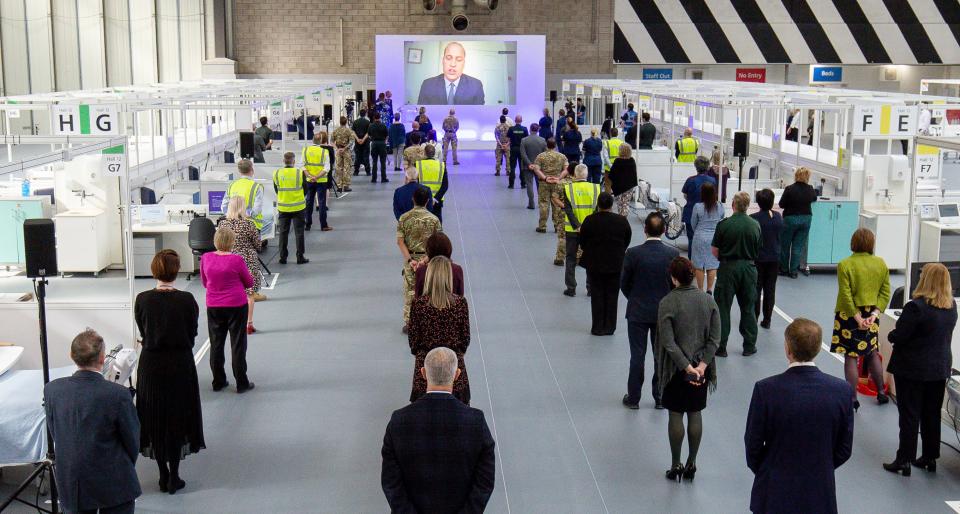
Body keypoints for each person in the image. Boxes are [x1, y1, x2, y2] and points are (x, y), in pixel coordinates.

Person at [745, 319, 854, 514]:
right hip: (819, 495)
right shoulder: (842, 391)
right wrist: (820, 468)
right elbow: (844, 449)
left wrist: (770, 471)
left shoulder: (766, 390)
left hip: (774, 494)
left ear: (788, 349)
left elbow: (753, 446)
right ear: (819, 348)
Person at [381, 347, 496, 513]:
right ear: (457, 374)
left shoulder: (399, 420)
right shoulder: (476, 421)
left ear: (423, 373)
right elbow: (484, 483)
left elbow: (391, 483)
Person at [44, 329, 141, 514]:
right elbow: (132, 439)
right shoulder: (117, 394)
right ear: (103, 358)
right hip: (114, 479)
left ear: (72, 355)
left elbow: (56, 431)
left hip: (73, 482)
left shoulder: (52, 390)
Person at [134, 250, 205, 495]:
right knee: (177, 415)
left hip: (151, 366)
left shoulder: (142, 299)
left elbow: (143, 330)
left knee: (154, 415)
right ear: (176, 271)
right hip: (180, 364)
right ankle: (174, 474)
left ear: (154, 270)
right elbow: (193, 333)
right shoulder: (187, 300)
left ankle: (163, 473)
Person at [884, 263, 957, 476]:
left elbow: (900, 335)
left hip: (912, 369)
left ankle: (904, 459)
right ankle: (929, 457)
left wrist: (891, 336)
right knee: (931, 413)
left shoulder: (916, 307)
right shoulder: (951, 307)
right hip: (939, 367)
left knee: (909, 414)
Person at [657, 256, 720, 482]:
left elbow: (667, 341)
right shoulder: (708, 301)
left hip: (675, 371)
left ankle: (676, 464)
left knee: (675, 413)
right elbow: (715, 338)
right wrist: (700, 366)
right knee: (695, 413)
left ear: (674, 279)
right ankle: (692, 463)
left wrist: (685, 366)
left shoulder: (667, 303)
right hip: (701, 370)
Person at [621, 212, 678, 409]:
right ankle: (660, 397)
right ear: (664, 230)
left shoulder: (633, 253)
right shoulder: (672, 255)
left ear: (644, 229)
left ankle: (634, 398)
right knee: (660, 355)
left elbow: (624, 284)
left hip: (637, 311)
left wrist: (635, 298)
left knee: (637, 355)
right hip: (663, 313)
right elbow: (675, 286)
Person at [832, 228, 891, 410]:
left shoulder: (845, 264)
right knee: (872, 352)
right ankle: (881, 392)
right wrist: (874, 314)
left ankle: (852, 399)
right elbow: (885, 291)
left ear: (853, 243)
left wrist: (857, 318)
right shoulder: (881, 264)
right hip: (872, 314)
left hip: (849, 315)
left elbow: (846, 295)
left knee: (850, 355)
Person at [408, 256, 471, 404]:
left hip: (425, 370)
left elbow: (414, 342)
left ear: (429, 276)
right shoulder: (460, 303)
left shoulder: (418, 304)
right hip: (454, 368)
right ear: (448, 276)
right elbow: (465, 339)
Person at [202, 227, 255, 393]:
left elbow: (205, 282)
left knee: (216, 344)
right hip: (236, 306)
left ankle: (218, 381)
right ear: (231, 242)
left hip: (214, 305)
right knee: (238, 344)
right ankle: (241, 382)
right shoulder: (236, 260)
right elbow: (248, 282)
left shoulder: (205, 258)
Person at [712, 191, 761, 357]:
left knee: (723, 307)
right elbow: (758, 249)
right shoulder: (755, 225)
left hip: (728, 268)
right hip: (749, 269)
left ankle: (721, 346)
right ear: (747, 206)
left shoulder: (724, 225)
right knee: (748, 307)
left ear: (733, 204)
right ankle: (749, 345)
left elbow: (715, 251)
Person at [579, 192, 632, 335]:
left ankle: (597, 327)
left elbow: (582, 241)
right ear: (611, 204)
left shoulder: (589, 220)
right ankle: (609, 327)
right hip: (615, 263)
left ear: (598, 204)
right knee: (612, 294)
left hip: (594, 263)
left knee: (596, 294)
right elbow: (627, 239)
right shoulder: (622, 221)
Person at [397, 187, 442, 332]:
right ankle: (430, 321)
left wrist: (410, 260)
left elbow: (400, 242)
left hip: (411, 259)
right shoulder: (434, 219)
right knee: (429, 290)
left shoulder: (404, 218)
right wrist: (426, 259)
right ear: (428, 201)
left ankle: (410, 323)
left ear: (413, 199)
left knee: (411, 290)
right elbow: (439, 242)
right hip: (429, 260)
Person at [220, 196, 264, 333]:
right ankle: (248, 324)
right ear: (243, 207)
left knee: (229, 293)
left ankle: (230, 323)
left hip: (228, 261)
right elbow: (258, 245)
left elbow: (219, 244)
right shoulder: (249, 224)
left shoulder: (223, 225)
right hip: (247, 262)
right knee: (249, 295)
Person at [559, 164, 600, 296]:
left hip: (572, 229)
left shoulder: (568, 188)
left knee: (570, 258)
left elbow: (568, 210)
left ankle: (571, 288)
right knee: (591, 258)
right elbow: (597, 211)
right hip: (591, 230)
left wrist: (577, 226)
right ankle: (590, 288)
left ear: (575, 175)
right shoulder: (595, 188)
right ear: (586, 175)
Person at [532, 138, 569, 265]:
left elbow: (536, 169)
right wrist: (558, 177)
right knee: (557, 204)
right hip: (558, 183)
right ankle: (556, 225)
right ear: (556, 145)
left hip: (544, 183)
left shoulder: (541, 156)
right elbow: (566, 169)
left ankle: (542, 226)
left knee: (543, 203)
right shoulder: (562, 156)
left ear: (546, 145)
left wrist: (545, 178)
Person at [750, 189, 783, 329]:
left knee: (756, 289)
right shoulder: (777, 217)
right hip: (774, 258)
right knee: (770, 290)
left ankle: (754, 317)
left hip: (758, 259)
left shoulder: (753, 218)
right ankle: (767, 319)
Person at [778, 167, 818, 278]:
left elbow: (781, 204)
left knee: (785, 245)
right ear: (807, 177)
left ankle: (784, 269)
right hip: (806, 219)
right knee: (798, 246)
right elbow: (814, 198)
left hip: (790, 219)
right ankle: (793, 272)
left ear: (796, 176)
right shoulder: (810, 189)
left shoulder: (789, 189)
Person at [416, 42, 486, 105]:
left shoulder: (476, 86)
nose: (453, 64)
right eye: (449, 58)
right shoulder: (427, 85)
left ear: (464, 63)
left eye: (459, 60)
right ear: (443, 61)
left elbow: (478, 115)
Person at [273, 152, 308, 265]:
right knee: (299, 232)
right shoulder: (299, 172)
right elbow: (305, 189)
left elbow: (276, 189)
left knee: (283, 233)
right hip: (298, 207)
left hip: (283, 207)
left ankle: (283, 257)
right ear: (294, 161)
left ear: (283, 161)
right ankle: (300, 257)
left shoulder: (277, 173)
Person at [691, 182, 724, 293]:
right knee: (712, 264)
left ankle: (700, 290)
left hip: (700, 237)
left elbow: (693, 223)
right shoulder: (720, 206)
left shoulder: (697, 207)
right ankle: (709, 290)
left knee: (699, 265)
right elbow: (721, 219)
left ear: (702, 194)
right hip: (714, 239)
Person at [680, 156, 717, 259]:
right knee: (708, 239)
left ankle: (692, 263)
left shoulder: (690, 180)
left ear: (696, 167)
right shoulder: (712, 180)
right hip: (707, 213)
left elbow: (685, 195)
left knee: (692, 239)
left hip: (691, 213)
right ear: (707, 167)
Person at [222, 159, 267, 238]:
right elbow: (257, 210)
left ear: (239, 171)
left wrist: (233, 216)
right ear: (252, 169)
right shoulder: (257, 187)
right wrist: (246, 215)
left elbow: (224, 207)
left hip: (233, 226)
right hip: (253, 226)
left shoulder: (232, 185)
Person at [414, 232, 464, 297]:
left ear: (428, 251)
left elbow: (417, 297)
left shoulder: (421, 271)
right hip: (452, 306)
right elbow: (460, 296)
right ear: (449, 249)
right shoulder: (457, 270)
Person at [302, 132, 333, 232]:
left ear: (312, 140)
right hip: (321, 181)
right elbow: (327, 168)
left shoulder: (305, 150)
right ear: (320, 141)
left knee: (309, 202)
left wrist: (310, 176)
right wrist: (317, 177)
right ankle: (323, 225)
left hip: (309, 181)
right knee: (322, 203)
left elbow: (302, 165)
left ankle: (307, 224)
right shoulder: (324, 152)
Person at [416, 144, 449, 223]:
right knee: (437, 222)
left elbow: (415, 184)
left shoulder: (418, 165)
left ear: (424, 153)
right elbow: (445, 185)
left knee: (423, 223)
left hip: (422, 199)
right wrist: (436, 198)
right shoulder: (442, 166)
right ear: (434, 153)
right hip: (437, 200)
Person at [520, 123, 547, 210]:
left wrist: (529, 164)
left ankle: (531, 204)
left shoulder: (524, 140)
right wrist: (537, 165)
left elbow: (523, 154)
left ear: (530, 129)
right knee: (540, 185)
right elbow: (544, 154)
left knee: (529, 184)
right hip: (539, 167)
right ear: (538, 130)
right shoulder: (542, 140)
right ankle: (541, 203)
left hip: (527, 167)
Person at [607, 143, 637, 216]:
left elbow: (611, 174)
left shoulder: (617, 161)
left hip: (618, 187)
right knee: (625, 203)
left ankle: (621, 217)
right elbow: (634, 174)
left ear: (620, 151)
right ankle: (624, 218)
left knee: (620, 204)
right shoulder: (632, 160)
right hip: (629, 187)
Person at [331, 116, 355, 191]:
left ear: (340, 122)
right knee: (347, 168)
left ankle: (339, 186)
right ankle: (346, 185)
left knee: (338, 168)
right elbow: (351, 142)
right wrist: (344, 148)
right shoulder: (349, 131)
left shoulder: (335, 131)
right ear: (346, 122)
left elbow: (331, 141)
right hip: (346, 151)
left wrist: (337, 148)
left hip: (338, 150)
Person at [506, 115, 528, 189]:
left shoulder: (511, 129)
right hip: (521, 149)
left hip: (513, 149)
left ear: (515, 121)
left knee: (512, 167)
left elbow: (508, 138)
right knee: (522, 167)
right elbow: (526, 139)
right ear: (521, 121)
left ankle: (511, 184)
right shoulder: (524, 129)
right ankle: (523, 184)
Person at [368, 112, 389, 183]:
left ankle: (374, 178)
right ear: (380, 117)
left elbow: (369, 135)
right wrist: (385, 141)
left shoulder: (371, 126)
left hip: (374, 143)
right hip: (382, 143)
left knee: (374, 162)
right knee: (383, 162)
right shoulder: (383, 125)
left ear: (374, 118)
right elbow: (387, 135)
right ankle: (383, 178)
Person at [351, 109, 371, 177]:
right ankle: (368, 172)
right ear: (365, 114)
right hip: (365, 142)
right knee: (366, 157)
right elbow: (368, 132)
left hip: (357, 142)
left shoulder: (355, 122)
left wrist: (358, 139)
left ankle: (356, 171)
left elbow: (353, 132)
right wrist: (363, 139)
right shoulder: (368, 122)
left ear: (359, 114)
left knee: (357, 157)